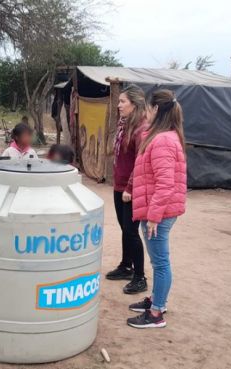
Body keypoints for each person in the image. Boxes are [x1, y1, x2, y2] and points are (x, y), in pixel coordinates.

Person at [127, 89, 187, 329]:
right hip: (157, 211)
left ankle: (155, 314)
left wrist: (153, 217)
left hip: (158, 213)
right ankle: (157, 301)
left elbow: (165, 184)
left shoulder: (162, 140)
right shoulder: (162, 135)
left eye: (147, 107)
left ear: (155, 110)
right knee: (159, 261)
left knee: (160, 262)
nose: (145, 112)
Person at [106, 85, 149, 295]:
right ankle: (126, 266)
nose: (119, 105)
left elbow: (140, 162)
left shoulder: (141, 128)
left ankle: (140, 277)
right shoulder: (125, 125)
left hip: (132, 188)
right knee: (124, 228)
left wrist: (130, 187)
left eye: (123, 101)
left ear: (134, 104)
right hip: (120, 184)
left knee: (131, 232)